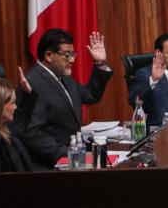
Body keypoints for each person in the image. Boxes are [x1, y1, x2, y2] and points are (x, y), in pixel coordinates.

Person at [17, 28, 114, 169]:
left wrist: (100, 63)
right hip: (50, 166)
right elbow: (33, 134)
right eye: (67, 55)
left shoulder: (61, 77)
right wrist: (69, 154)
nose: (72, 60)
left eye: (73, 54)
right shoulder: (33, 83)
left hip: (71, 160)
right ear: (49, 55)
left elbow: (90, 95)